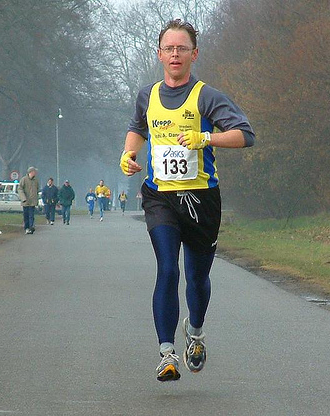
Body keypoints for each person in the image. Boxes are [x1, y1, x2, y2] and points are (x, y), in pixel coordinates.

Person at [119, 19, 255, 382]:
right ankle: (167, 354)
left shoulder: (207, 97)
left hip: (201, 199)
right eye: (169, 48)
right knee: (168, 268)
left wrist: (205, 138)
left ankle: (195, 332)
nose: (175, 54)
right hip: (160, 197)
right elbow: (137, 128)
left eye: (182, 48)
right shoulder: (147, 96)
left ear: (194, 54)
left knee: (197, 277)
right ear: (159, 54)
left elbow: (245, 135)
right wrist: (129, 154)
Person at [18, 167, 40, 234]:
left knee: (31, 215)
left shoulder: (36, 180)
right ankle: (27, 228)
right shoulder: (24, 179)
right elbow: (20, 189)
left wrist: (36, 199)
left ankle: (31, 227)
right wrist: (23, 198)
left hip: (32, 202)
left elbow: (37, 189)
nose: (35, 173)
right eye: (34, 172)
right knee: (26, 216)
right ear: (30, 172)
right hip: (25, 202)